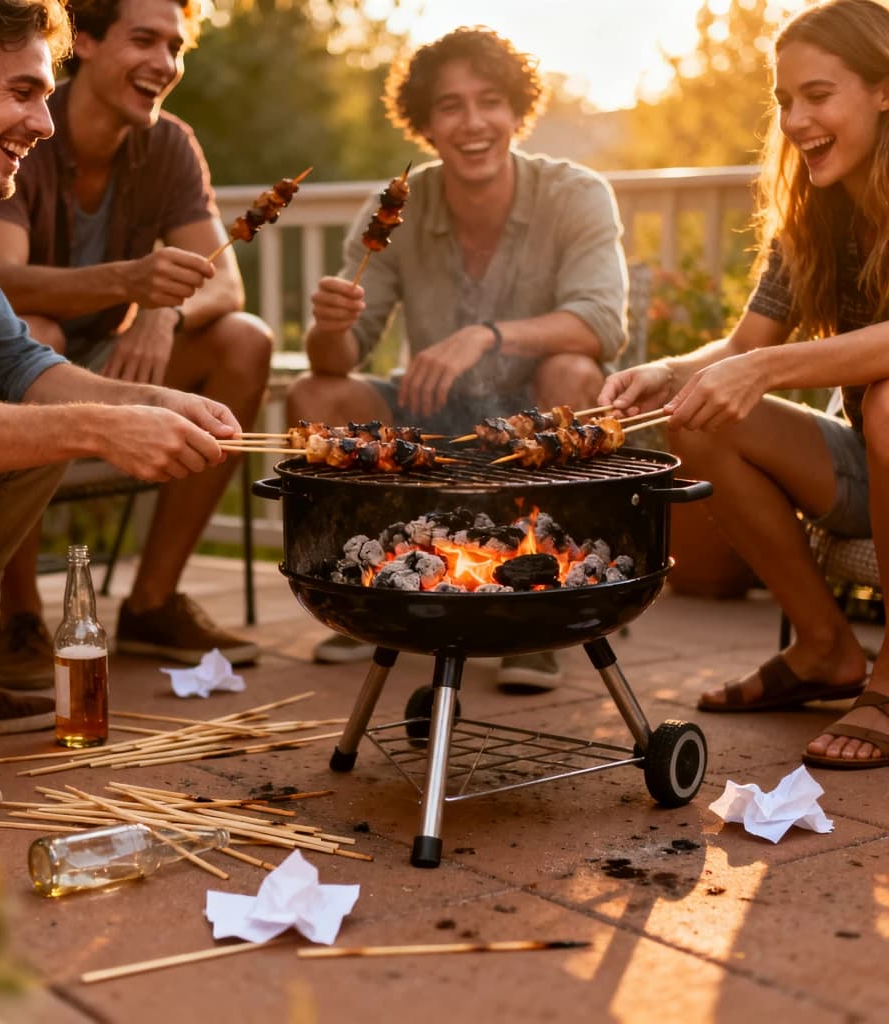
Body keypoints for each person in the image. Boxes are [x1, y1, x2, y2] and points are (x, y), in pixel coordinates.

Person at [0, 0, 244, 818]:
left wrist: (152, 400)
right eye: (24, 92)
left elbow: (27, 365)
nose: (44, 121)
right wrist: (101, 427)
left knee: (0, 376)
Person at [286, 27, 628, 688]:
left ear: (518, 111)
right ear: (425, 123)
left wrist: (486, 336)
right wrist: (329, 325)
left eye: (490, 101)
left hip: (536, 425)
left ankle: (550, 606)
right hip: (430, 419)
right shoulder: (394, 205)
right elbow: (337, 358)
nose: (473, 123)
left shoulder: (577, 192)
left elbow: (600, 324)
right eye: (450, 106)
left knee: (576, 375)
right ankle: (369, 595)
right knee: (312, 397)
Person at [599, 0, 889, 769]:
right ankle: (825, 648)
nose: (796, 120)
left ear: (885, 89)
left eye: (818, 95)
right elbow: (743, 347)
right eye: (784, 101)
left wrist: (767, 368)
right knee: (700, 416)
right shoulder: (814, 212)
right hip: (872, 468)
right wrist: (668, 372)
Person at [0, 0, 272, 689]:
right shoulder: (25, 126)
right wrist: (131, 281)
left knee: (243, 343)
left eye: (176, 46)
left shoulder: (169, 144)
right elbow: (1, 287)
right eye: (145, 40)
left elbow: (223, 281)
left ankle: (153, 602)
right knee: (28, 335)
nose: (165, 64)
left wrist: (163, 313)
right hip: (21, 360)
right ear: (89, 41)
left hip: (122, 352)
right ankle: (20, 613)